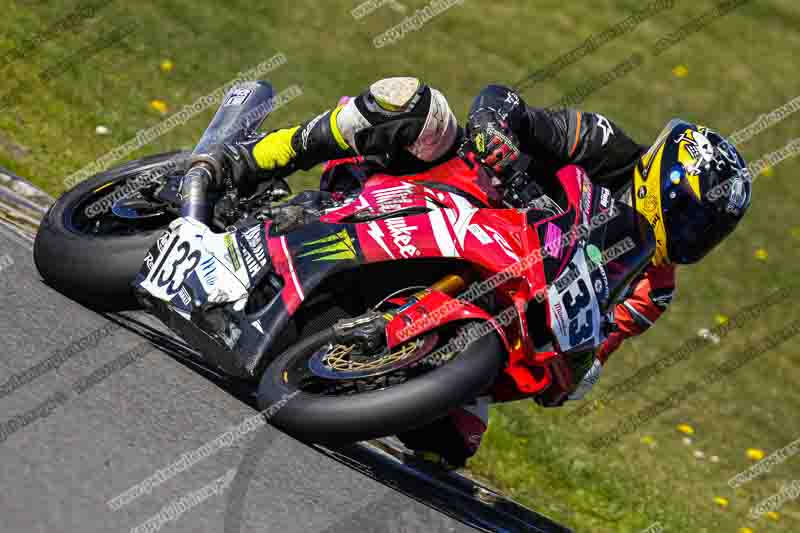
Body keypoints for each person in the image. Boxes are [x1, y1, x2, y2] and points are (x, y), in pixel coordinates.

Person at [216, 78, 752, 468]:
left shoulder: (652, 289)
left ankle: (340, 334)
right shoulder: (607, 147)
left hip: (501, 305)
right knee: (416, 107)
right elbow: (506, 104)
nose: (693, 238)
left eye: (710, 232)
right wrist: (498, 135)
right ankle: (253, 159)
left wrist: (577, 371)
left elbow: (584, 358)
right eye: (693, 217)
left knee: (451, 441)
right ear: (666, 181)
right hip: (457, 197)